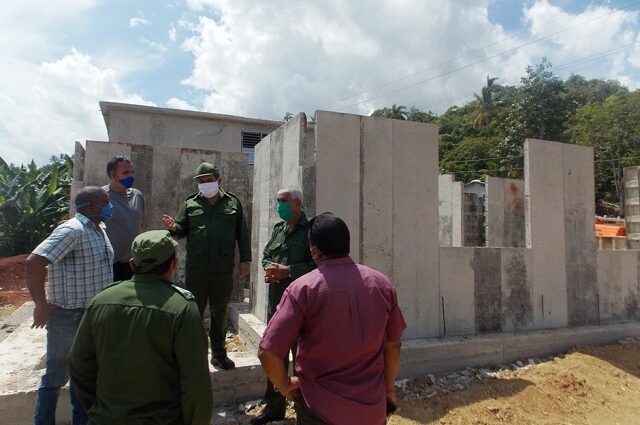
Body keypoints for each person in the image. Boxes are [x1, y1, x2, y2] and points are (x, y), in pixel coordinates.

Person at [258, 213, 406, 425]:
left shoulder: (303, 289)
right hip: (371, 409)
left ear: (315, 251)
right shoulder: (382, 284)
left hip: (319, 410)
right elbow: (393, 345)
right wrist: (389, 390)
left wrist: (283, 386)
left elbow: (268, 351)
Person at [68, 230, 213, 425]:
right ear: (174, 264)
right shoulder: (182, 308)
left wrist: (98, 408)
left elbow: (79, 363)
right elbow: (196, 383)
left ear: (132, 265)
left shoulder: (100, 301)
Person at [26, 186, 114, 425]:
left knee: (83, 377)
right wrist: (40, 305)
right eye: (106, 202)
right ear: (92, 206)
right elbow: (35, 262)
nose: (110, 206)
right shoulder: (72, 230)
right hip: (69, 317)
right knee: (55, 377)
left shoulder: (98, 229)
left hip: (90, 316)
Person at [162, 162, 251, 370]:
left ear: (218, 180)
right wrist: (173, 228)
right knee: (194, 313)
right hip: (197, 269)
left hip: (222, 268)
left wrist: (245, 260)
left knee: (220, 313)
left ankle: (219, 354)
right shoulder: (191, 204)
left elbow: (242, 233)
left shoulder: (232, 203)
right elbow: (180, 230)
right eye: (201, 181)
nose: (205, 184)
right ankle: (193, 356)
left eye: (209, 180)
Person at [252, 187, 316, 425]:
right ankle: (274, 408)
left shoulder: (311, 232)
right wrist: (270, 268)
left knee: (302, 361)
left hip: (300, 309)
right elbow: (267, 254)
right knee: (274, 356)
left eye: (284, 201)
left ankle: (305, 413)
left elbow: (317, 265)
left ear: (298, 204)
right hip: (277, 305)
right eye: (278, 201)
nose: (279, 205)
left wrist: (288, 271)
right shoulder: (279, 228)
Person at [102, 155, 145, 281]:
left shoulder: (137, 196)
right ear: (112, 174)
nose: (130, 176)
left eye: (132, 172)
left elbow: (141, 224)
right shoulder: (100, 197)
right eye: (126, 172)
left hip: (132, 264)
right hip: (108, 264)